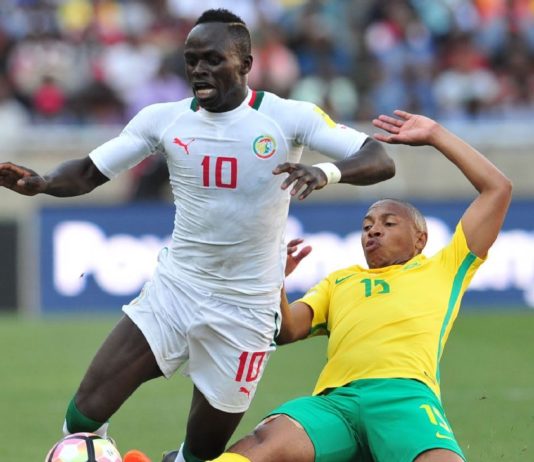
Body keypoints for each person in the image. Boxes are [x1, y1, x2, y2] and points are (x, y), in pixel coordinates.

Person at [0, 9, 395, 462]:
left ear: (245, 64)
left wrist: (325, 172)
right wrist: (44, 182)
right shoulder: (164, 120)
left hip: (247, 309)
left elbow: (378, 158)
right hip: (176, 291)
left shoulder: (288, 117)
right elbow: (90, 171)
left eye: (212, 59)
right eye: (191, 60)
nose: (199, 70)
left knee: (201, 456)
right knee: (83, 416)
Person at [209, 110, 512, 462]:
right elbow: (286, 330)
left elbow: (498, 189)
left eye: (389, 223)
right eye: (367, 226)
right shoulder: (339, 281)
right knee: (263, 443)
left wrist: (435, 134)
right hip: (335, 403)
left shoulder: (444, 267)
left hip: (404, 398)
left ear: (420, 239)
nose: (374, 230)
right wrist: (273, 278)